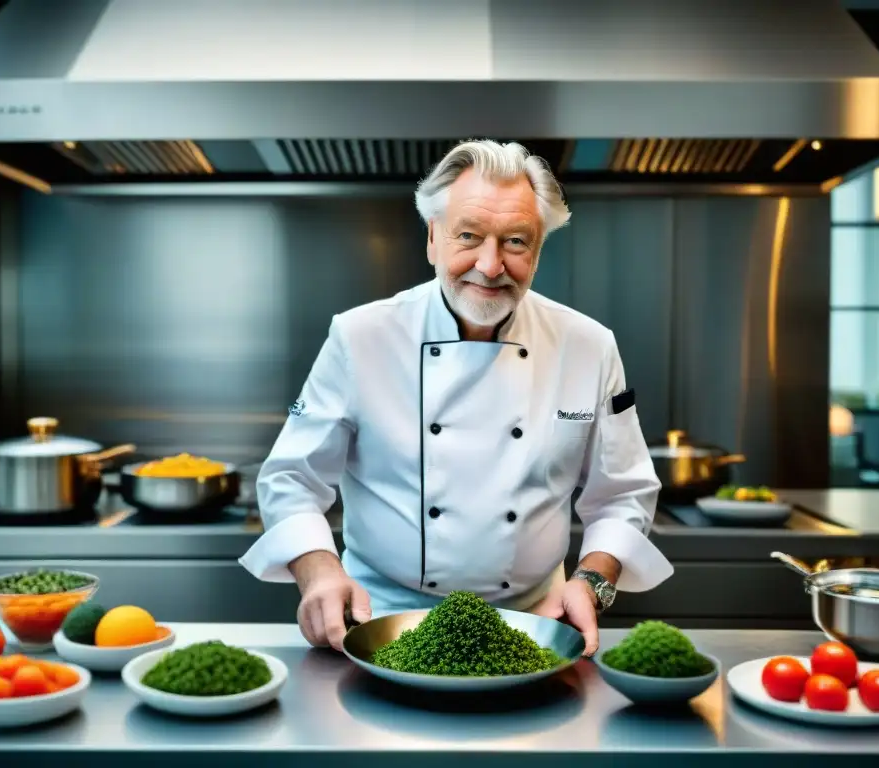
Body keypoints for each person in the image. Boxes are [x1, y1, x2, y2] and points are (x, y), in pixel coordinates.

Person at [239, 139, 673, 656]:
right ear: (433, 239)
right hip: (382, 619)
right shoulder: (361, 336)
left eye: (515, 242)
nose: (490, 266)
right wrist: (318, 572)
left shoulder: (589, 346)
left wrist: (593, 583)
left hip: (533, 624)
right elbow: (292, 477)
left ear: (538, 250)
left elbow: (623, 493)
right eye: (469, 236)